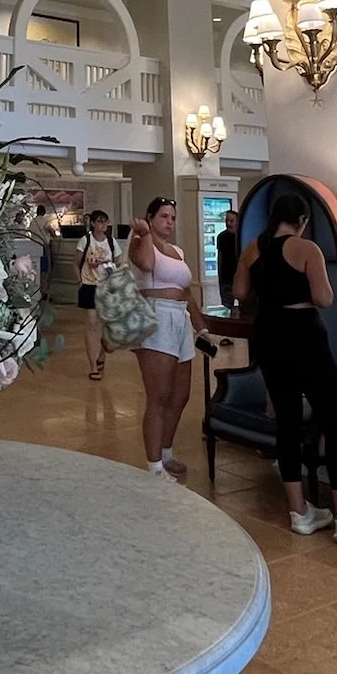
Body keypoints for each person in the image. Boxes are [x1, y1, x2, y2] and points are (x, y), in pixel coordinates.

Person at [233, 191, 337, 546]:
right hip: (302, 334)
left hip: (268, 334)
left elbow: (240, 291)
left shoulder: (254, 247)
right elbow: (325, 298)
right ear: (302, 221)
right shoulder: (307, 249)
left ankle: (300, 512)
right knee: (334, 416)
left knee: (286, 419)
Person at [128, 196, 208, 481]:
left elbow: (185, 291)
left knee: (180, 394)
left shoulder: (177, 251)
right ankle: (154, 467)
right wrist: (145, 233)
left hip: (179, 317)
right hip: (156, 316)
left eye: (172, 218)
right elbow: (147, 264)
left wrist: (201, 328)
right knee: (158, 395)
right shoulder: (140, 242)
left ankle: (165, 451)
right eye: (163, 217)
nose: (170, 222)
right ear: (150, 218)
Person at [76, 210, 116, 379]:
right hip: (89, 285)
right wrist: (79, 280)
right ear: (93, 223)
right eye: (99, 222)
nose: (102, 226)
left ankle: (101, 354)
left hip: (106, 287)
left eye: (105, 222)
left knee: (105, 324)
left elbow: (117, 263)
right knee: (92, 324)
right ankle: (93, 365)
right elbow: (76, 262)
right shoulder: (85, 241)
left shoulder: (112, 242)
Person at [215, 209, 240, 306]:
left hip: (240, 276)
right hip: (226, 279)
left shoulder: (241, 237)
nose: (228, 223)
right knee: (227, 305)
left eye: (232, 221)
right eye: (227, 221)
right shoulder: (221, 237)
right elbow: (220, 259)